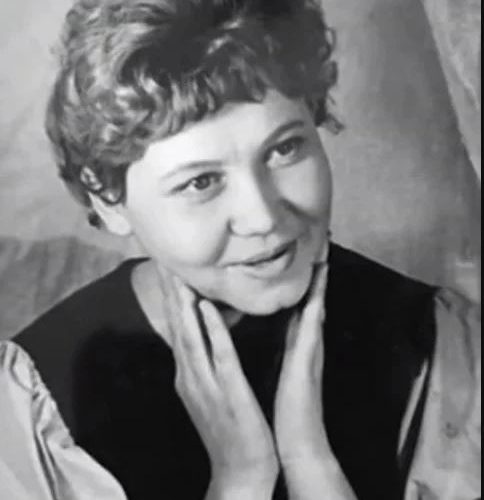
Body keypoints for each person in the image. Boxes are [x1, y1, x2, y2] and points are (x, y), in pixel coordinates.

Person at [0, 0, 480, 499]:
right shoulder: (37, 406)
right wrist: (242, 478)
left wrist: (310, 462)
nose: (264, 217)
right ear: (107, 199)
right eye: (201, 182)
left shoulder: (448, 349)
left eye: (285, 149)